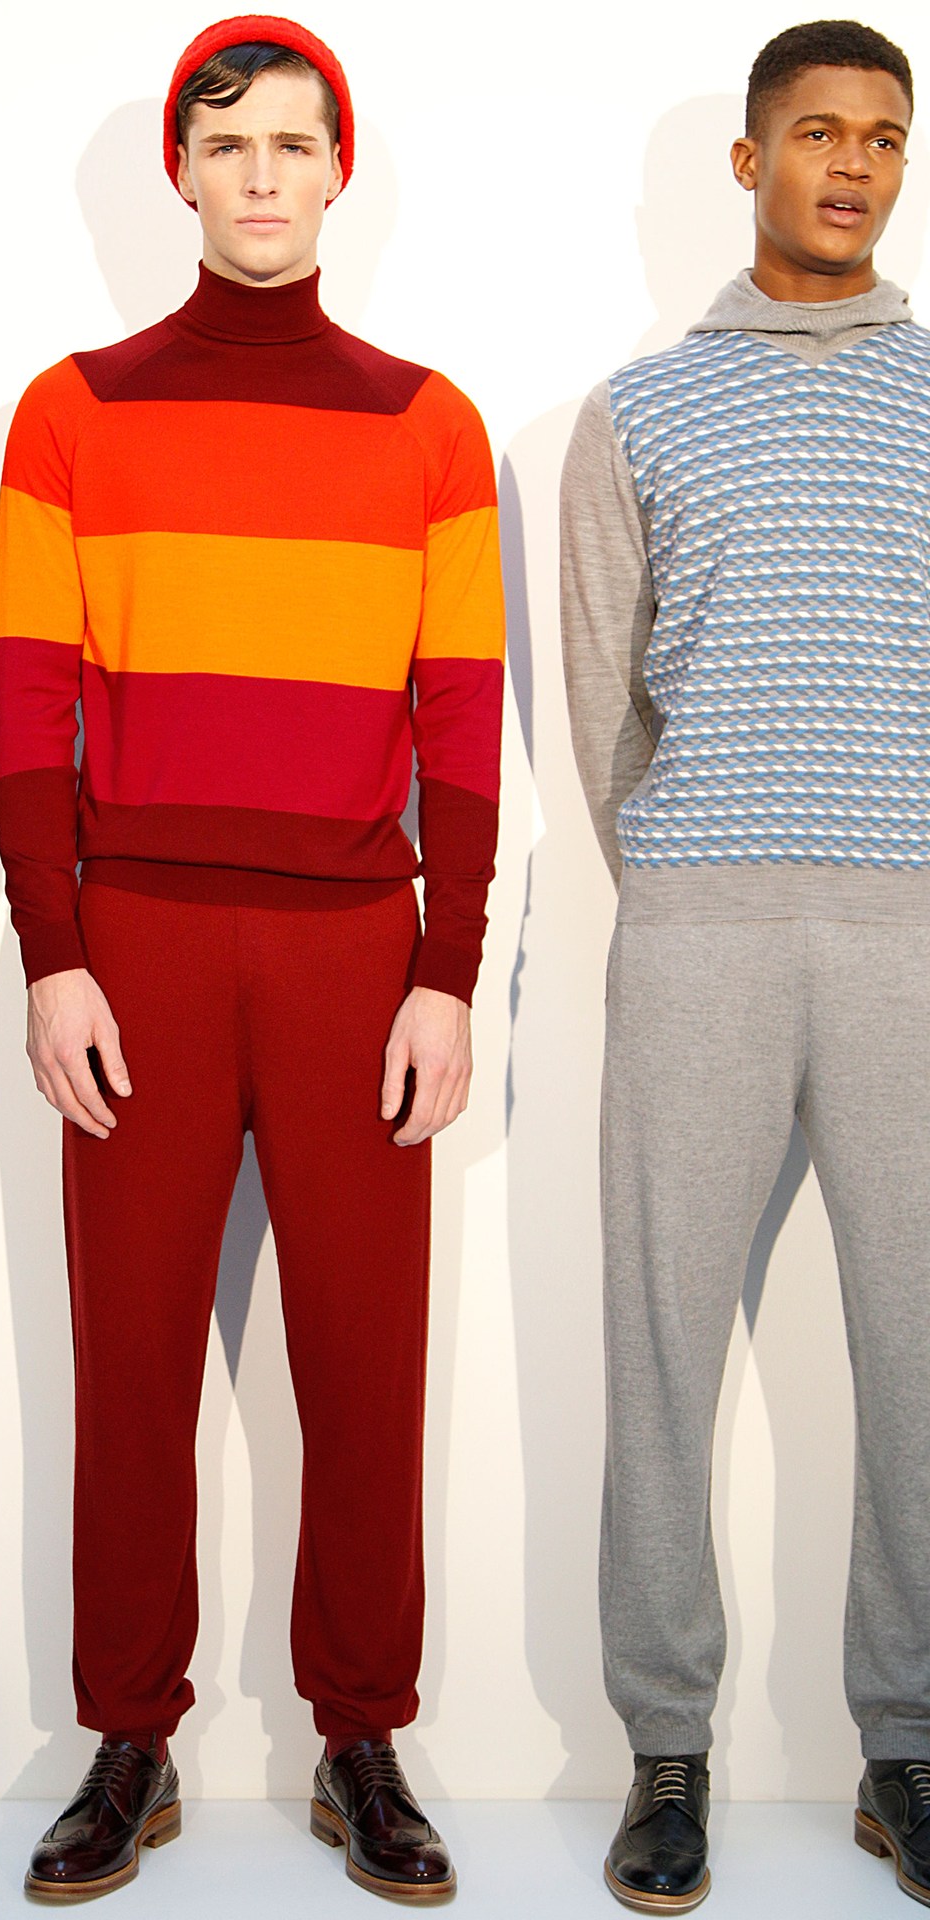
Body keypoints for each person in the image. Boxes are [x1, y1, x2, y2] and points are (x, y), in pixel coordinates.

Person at [0, 12, 503, 1902]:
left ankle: (363, 1736)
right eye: (230, 145)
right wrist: (53, 951)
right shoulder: (71, 410)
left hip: (359, 952)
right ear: (183, 174)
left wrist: (448, 969)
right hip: (134, 945)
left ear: (338, 169)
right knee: (129, 1361)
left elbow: (463, 718)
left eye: (294, 142)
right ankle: (130, 1737)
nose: (263, 174)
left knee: (365, 1362)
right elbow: (28, 703)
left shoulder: (430, 424)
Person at [561, 17, 930, 1913]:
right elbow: (602, 699)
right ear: (751, 160)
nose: (853, 166)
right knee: (660, 1343)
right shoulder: (640, 409)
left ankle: (910, 1742)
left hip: (911, 928)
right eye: (819, 133)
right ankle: (667, 1746)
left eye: (886, 137)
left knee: (922, 1348)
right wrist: (685, 874)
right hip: (700, 920)